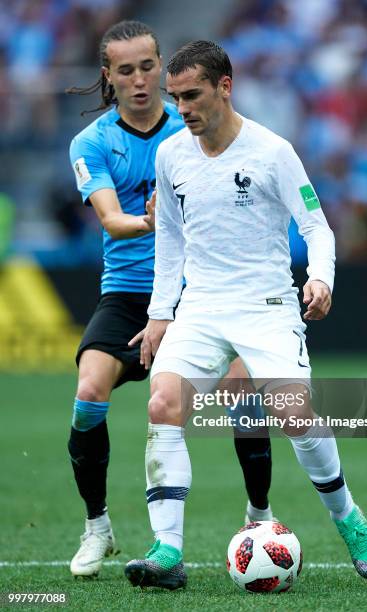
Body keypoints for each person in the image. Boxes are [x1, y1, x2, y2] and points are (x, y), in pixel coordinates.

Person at [125, 40, 367, 591]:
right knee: (163, 404)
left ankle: (348, 517)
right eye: (175, 98)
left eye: (192, 95)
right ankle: (167, 550)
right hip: (199, 307)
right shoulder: (171, 156)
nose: (183, 108)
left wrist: (320, 277)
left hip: (265, 305)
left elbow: (316, 225)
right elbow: (170, 239)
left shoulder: (272, 152)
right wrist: (160, 313)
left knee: (293, 412)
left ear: (225, 86)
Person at [67, 21, 274, 578]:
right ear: (107, 77)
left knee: (241, 391)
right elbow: (111, 220)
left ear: (163, 66)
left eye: (148, 67)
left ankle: (260, 518)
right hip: (129, 293)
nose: (139, 81)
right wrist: (156, 220)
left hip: (204, 293)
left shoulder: (196, 124)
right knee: (88, 391)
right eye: (125, 71)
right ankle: (98, 527)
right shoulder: (92, 143)